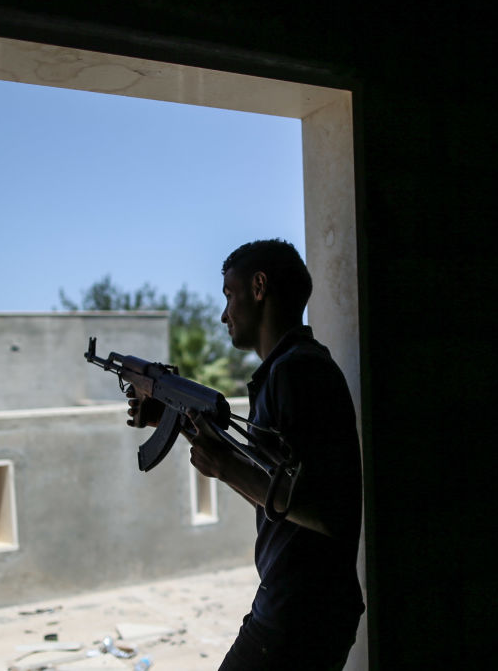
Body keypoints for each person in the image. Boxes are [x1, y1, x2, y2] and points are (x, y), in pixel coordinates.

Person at [130, 239, 364, 670]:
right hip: (297, 601)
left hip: (300, 608)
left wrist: (226, 466)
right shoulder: (288, 369)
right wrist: (178, 422)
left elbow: (330, 511)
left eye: (229, 296)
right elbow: (276, 490)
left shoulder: (298, 372)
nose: (224, 315)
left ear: (259, 287)